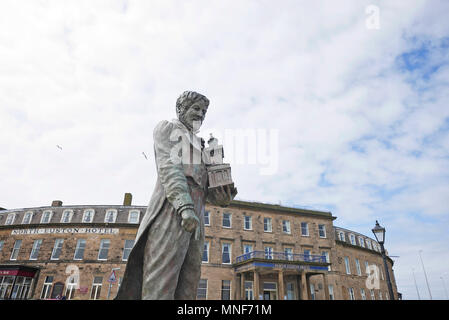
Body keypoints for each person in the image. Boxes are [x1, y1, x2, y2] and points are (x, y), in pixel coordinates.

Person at [115, 91, 237, 300]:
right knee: (161, 281)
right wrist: (184, 207)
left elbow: (206, 186)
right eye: (196, 108)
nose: (201, 114)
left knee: (189, 282)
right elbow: (169, 169)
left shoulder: (202, 145)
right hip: (172, 210)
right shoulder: (168, 128)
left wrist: (223, 198)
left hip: (196, 216)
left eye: (204, 111)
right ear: (181, 109)